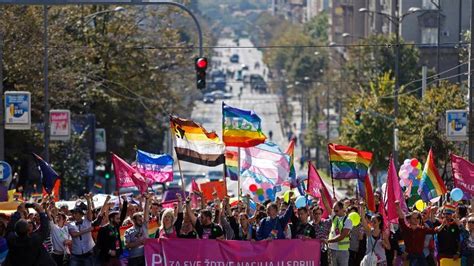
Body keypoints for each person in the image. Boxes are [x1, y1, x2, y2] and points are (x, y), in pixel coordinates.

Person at [395, 201, 443, 266]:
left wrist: (443, 224)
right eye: (413, 218)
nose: (416, 219)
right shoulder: (406, 229)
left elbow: (434, 231)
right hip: (409, 257)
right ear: (409, 220)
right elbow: (401, 218)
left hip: (420, 257)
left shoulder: (422, 229)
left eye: (417, 218)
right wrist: (398, 206)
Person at [96, 197, 128, 266]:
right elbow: (99, 244)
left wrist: (125, 201)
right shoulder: (103, 229)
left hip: (117, 256)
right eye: (117, 219)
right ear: (111, 219)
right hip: (107, 259)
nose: (119, 220)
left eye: (119, 219)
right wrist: (109, 251)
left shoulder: (116, 226)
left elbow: (123, 215)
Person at [68, 194, 96, 266]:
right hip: (76, 254)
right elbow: (74, 234)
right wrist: (88, 230)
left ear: (81, 214)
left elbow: (89, 212)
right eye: (73, 213)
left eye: (76, 213)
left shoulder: (87, 220)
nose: (74, 215)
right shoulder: (71, 224)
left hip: (88, 253)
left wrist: (88, 201)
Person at [125, 193, 151, 266]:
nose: (141, 221)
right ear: (134, 221)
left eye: (141, 219)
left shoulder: (144, 226)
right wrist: (138, 243)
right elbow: (127, 245)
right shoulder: (128, 231)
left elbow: (146, 212)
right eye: (139, 220)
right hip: (134, 258)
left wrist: (147, 200)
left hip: (146, 255)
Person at [327, 200, 352, 266]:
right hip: (332, 249)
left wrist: (328, 241)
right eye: (334, 210)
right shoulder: (335, 217)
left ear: (342, 209)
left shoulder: (348, 220)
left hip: (342, 251)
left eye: (336, 211)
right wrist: (322, 193)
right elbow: (326, 206)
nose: (335, 212)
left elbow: (342, 236)